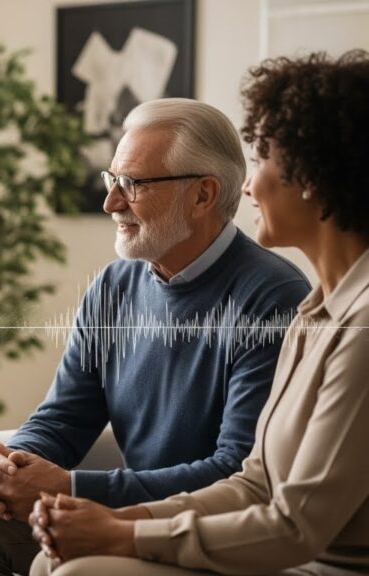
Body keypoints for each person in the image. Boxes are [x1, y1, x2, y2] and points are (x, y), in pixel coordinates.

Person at [0, 98, 312, 575]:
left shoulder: (273, 296)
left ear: (203, 195)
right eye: (114, 179)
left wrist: (75, 489)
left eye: (132, 184)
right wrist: (10, 465)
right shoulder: (114, 287)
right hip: (120, 505)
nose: (110, 201)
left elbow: (239, 469)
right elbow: (65, 416)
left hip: (204, 527)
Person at [29, 50, 369, 576]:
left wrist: (126, 536)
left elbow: (295, 525)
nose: (250, 185)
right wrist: (124, 525)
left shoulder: (348, 324)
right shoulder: (316, 310)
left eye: (264, 162)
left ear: (316, 178)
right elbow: (255, 482)